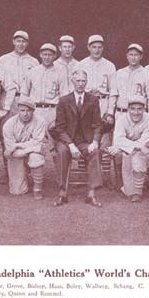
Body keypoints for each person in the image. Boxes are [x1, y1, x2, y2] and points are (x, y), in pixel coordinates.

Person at [51, 69, 103, 207]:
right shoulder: (63, 100)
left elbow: (98, 124)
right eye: (78, 81)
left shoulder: (93, 100)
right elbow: (59, 128)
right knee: (61, 152)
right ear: (73, 81)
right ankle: (62, 192)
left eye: (83, 81)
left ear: (87, 82)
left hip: (86, 141)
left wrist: (95, 141)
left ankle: (91, 194)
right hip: (67, 140)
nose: (80, 84)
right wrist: (70, 144)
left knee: (95, 152)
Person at [110, 43, 149, 187]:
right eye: (131, 54)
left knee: (144, 148)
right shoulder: (119, 73)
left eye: (136, 54)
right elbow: (113, 95)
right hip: (121, 113)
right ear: (126, 55)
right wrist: (110, 113)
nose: (133, 57)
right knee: (118, 149)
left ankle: (143, 176)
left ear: (141, 56)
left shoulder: (147, 73)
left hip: (140, 115)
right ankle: (121, 180)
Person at [77, 34, 117, 186]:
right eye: (94, 46)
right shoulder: (81, 64)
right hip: (86, 103)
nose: (97, 49)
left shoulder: (109, 65)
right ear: (88, 47)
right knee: (84, 139)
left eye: (100, 46)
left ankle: (105, 176)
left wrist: (110, 112)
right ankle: (83, 175)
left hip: (103, 102)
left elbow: (113, 91)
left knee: (104, 142)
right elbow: (75, 88)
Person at [107, 96, 149, 203]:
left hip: (147, 152)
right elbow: (118, 140)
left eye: (139, 109)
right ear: (128, 109)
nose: (136, 112)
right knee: (128, 191)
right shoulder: (121, 119)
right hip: (128, 153)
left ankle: (138, 193)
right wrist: (122, 146)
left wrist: (121, 148)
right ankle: (137, 183)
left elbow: (144, 142)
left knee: (138, 160)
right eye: (133, 109)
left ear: (144, 109)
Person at [22, 43, 69, 144]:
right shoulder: (33, 71)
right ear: (40, 55)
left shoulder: (60, 71)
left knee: (54, 141)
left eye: (50, 55)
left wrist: (61, 115)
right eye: (45, 54)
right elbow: (24, 93)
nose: (47, 57)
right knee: (34, 140)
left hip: (52, 110)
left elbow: (64, 96)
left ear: (55, 56)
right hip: (35, 110)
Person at [2, 96, 47, 200]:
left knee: (36, 156)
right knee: (17, 191)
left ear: (33, 111)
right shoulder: (9, 124)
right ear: (18, 110)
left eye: (28, 110)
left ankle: (37, 189)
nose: (25, 113)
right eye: (22, 110)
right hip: (16, 154)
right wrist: (31, 148)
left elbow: (38, 142)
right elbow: (10, 150)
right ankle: (24, 176)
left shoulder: (40, 121)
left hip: (29, 152)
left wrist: (17, 146)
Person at [0, 30, 39, 120]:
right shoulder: (4, 59)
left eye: (24, 41)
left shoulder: (33, 61)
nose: (21, 44)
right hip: (7, 100)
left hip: (26, 100)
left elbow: (36, 85)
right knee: (6, 129)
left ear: (27, 43)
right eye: (18, 41)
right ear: (13, 42)